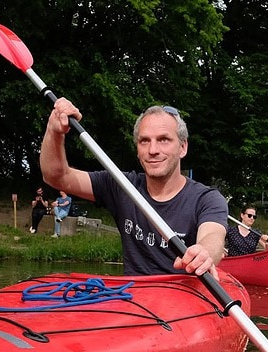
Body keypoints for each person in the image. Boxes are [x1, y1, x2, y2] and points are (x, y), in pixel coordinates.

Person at [40, 98, 227, 277]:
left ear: (183, 147)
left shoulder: (207, 199)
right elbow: (56, 177)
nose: (153, 150)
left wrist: (204, 252)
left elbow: (213, 236)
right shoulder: (121, 185)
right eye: (144, 141)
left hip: (184, 293)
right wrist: (54, 131)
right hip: (133, 294)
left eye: (164, 139)